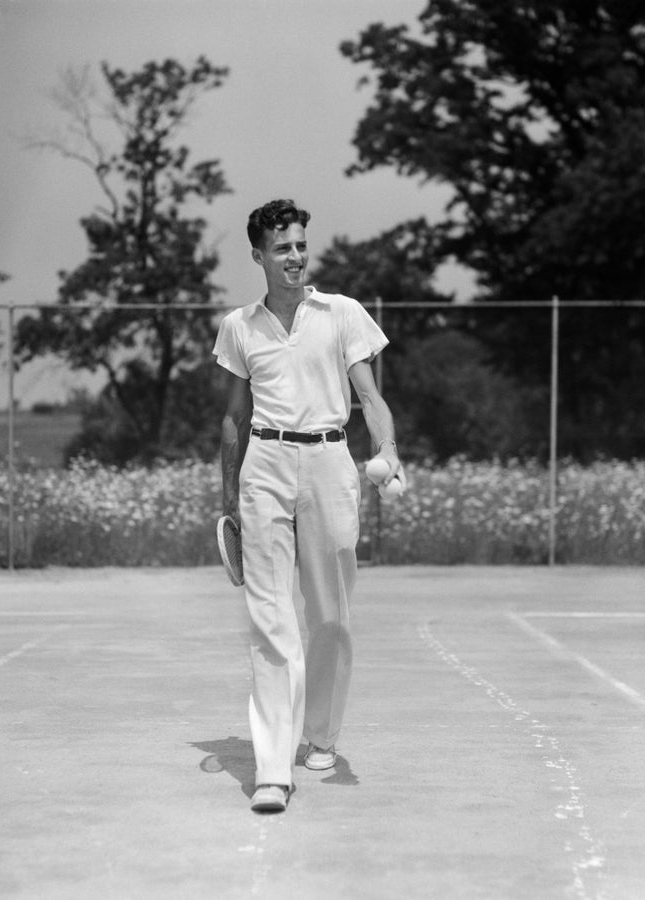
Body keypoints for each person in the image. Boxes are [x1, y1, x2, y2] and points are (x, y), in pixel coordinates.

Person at [212, 199, 404, 813]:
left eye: (300, 245)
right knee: (271, 619)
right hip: (264, 464)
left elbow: (369, 397)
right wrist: (229, 502)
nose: (294, 257)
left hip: (329, 460)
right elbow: (232, 420)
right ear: (258, 256)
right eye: (281, 248)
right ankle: (273, 768)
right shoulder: (239, 326)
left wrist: (389, 450)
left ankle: (321, 734)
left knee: (330, 614)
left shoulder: (342, 314)